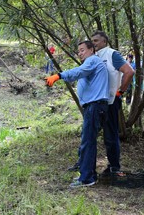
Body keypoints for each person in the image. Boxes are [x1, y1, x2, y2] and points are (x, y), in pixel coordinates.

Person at [45, 40, 109, 188]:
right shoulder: (91, 62)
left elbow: (79, 72)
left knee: (88, 141)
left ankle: (87, 179)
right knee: (87, 140)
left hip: (95, 106)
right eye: (78, 51)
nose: (80, 53)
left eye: (82, 50)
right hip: (93, 107)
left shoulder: (92, 60)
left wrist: (59, 76)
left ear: (92, 49)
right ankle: (87, 173)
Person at [90, 31, 134, 176]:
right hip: (96, 102)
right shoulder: (94, 56)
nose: (94, 43)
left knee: (110, 135)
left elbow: (129, 72)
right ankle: (86, 166)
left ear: (104, 42)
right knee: (90, 134)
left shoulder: (112, 54)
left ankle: (114, 167)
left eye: (96, 40)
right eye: (92, 41)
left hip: (110, 102)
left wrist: (120, 91)